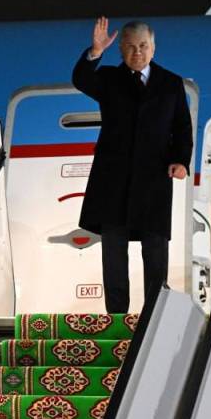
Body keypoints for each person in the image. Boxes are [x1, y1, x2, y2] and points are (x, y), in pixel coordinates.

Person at [72, 17, 193, 313]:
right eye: (130, 47)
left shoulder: (171, 83)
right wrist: (95, 51)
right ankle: (117, 318)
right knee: (114, 254)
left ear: (153, 47)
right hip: (114, 181)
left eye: (143, 46)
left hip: (154, 180)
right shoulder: (109, 79)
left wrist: (181, 161)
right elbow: (81, 79)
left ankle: (154, 316)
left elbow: (182, 128)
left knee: (155, 252)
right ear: (121, 49)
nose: (137, 52)